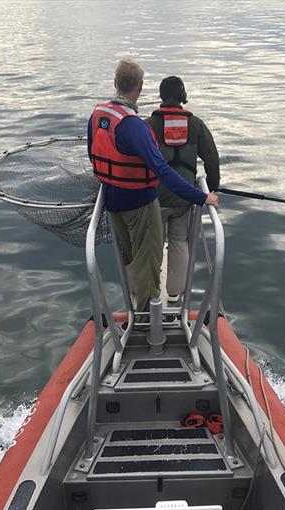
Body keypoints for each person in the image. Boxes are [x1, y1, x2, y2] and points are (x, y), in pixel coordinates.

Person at [87, 59, 218, 317]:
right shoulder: (139, 125)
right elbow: (196, 163)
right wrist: (205, 194)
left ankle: (135, 296)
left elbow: (94, 154)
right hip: (150, 201)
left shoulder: (101, 116)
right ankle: (162, 305)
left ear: (115, 83)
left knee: (136, 253)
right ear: (141, 86)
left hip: (116, 201)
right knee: (173, 244)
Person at [145, 76, 220, 303]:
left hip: (155, 197)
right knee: (179, 240)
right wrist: (211, 188)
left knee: (152, 244)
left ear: (161, 96)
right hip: (185, 196)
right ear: (182, 96)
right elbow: (211, 159)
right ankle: (176, 293)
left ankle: (150, 293)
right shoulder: (196, 124)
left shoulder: (148, 125)